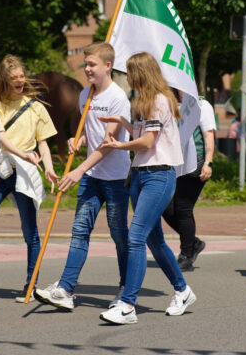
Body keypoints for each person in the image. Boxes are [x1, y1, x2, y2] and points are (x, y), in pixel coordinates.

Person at [98, 52, 196, 324]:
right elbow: (141, 135)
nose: (127, 78)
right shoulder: (142, 102)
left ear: (141, 73)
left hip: (159, 176)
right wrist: (123, 123)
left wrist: (119, 145)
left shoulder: (159, 101)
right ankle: (183, 290)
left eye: (130, 72)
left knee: (136, 237)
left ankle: (128, 305)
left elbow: (147, 143)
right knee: (154, 240)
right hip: (141, 175)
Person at [34, 42, 131, 311]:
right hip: (91, 174)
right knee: (79, 232)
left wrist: (78, 169)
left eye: (92, 64)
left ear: (108, 66)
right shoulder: (85, 94)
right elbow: (92, 132)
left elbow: (109, 143)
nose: (86, 68)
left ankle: (125, 289)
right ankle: (66, 288)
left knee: (119, 234)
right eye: (85, 64)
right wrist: (79, 141)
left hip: (114, 177)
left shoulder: (118, 98)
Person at [0, 55, 59, 302]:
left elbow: (44, 144)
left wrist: (48, 168)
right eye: (14, 78)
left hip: (25, 172)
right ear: (5, 80)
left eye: (21, 76)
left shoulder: (36, 107)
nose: (19, 80)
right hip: (0, 169)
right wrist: (23, 154)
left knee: (30, 231)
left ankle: (31, 285)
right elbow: (0, 138)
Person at [163, 96, 216, 271]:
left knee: (183, 208)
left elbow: (209, 134)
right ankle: (193, 242)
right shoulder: (170, 103)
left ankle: (186, 255)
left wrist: (208, 162)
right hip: (175, 163)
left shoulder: (201, 104)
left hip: (196, 162)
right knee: (166, 207)